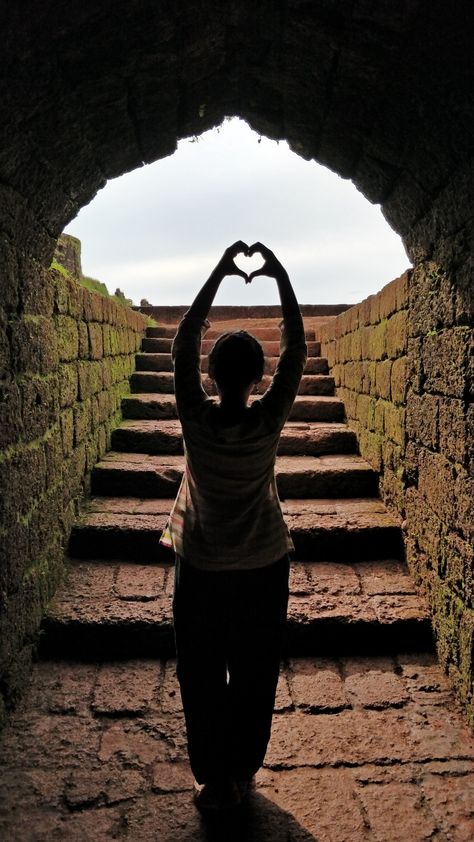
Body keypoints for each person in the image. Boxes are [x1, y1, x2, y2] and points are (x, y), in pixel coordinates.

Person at [160, 241, 307, 813]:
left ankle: (211, 776)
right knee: (254, 667)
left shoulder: (196, 418)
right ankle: (241, 771)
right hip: (263, 563)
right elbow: (295, 347)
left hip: (200, 562)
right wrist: (280, 277)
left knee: (199, 669)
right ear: (259, 378)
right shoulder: (268, 420)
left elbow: (182, 340)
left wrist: (221, 272)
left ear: (212, 376)